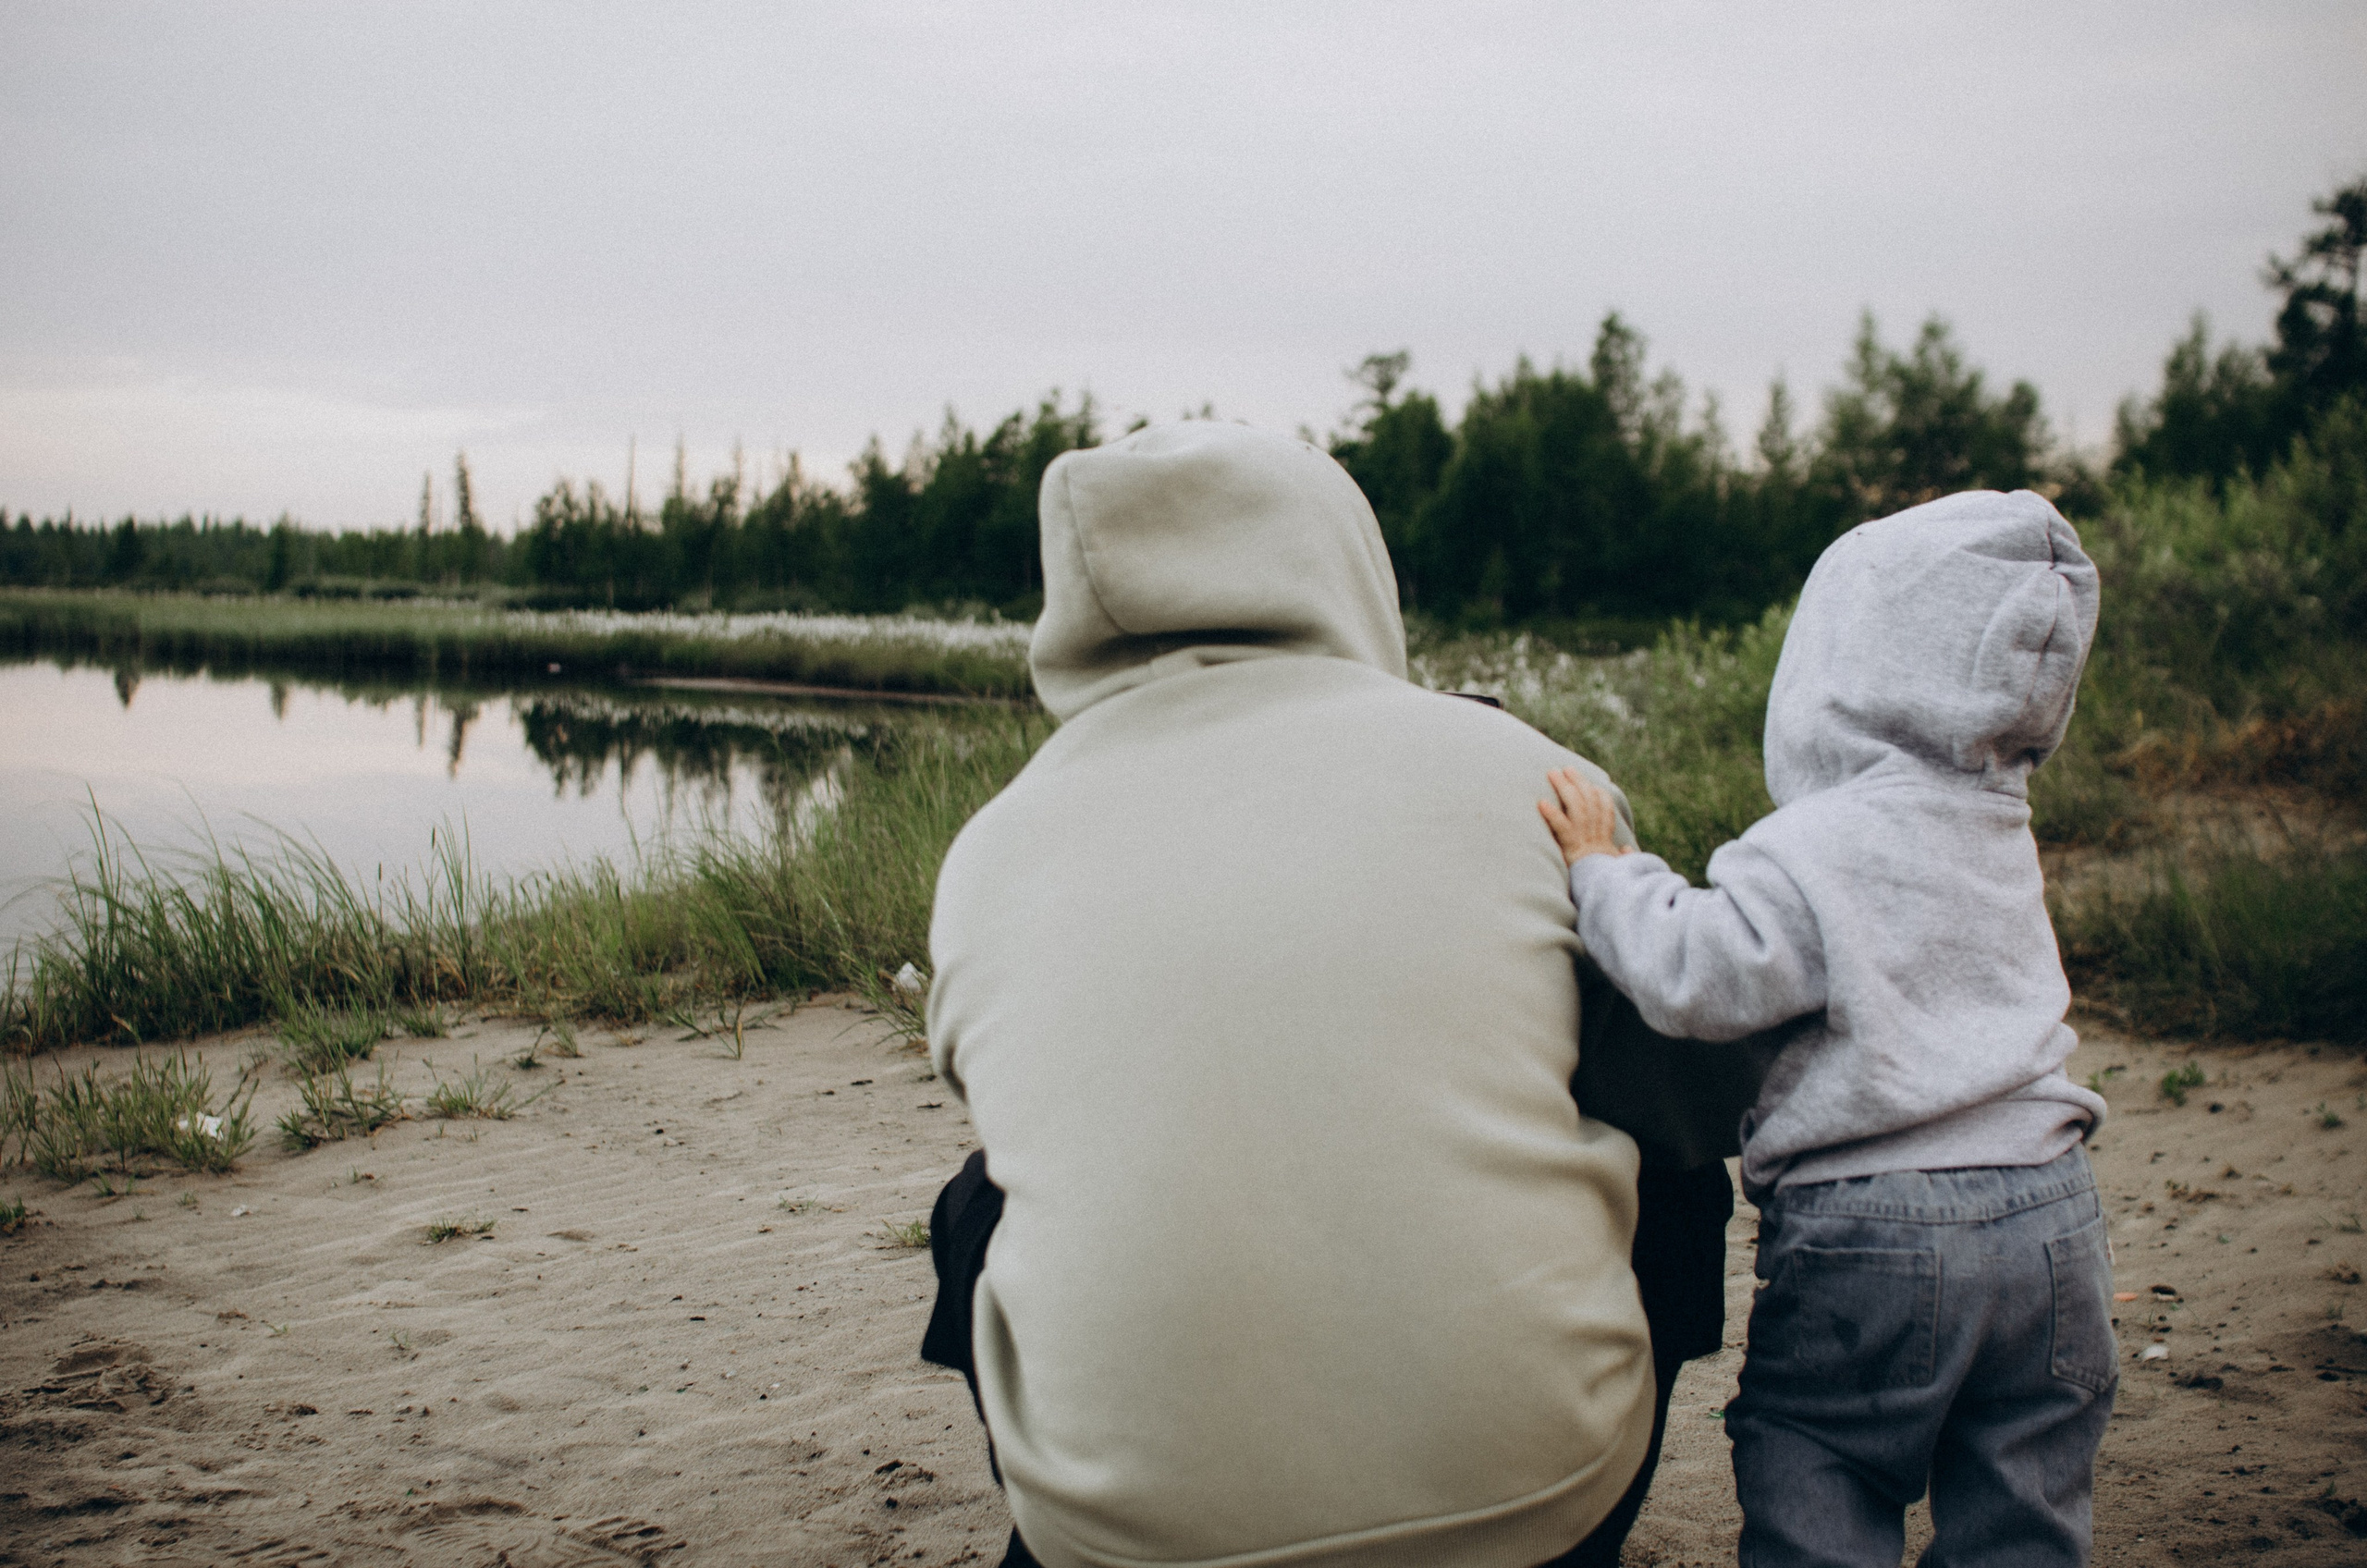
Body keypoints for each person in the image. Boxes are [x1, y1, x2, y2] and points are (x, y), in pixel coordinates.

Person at [921, 422, 1657, 1568]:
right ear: (1342, 557)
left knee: (978, 1199)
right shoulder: (1529, 776)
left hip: (1119, 1542)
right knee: (1666, 1145)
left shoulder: (990, 848)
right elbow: (1692, 1086)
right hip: (1530, 1502)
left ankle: (1127, 1478)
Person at [1537, 489, 2118, 1568]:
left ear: (1842, 661)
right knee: (2024, 1487)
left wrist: (1607, 872)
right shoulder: (1998, 825)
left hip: (1879, 1221)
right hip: (2052, 1215)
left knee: (1823, 1458)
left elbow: (1693, 976)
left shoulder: (1813, 842)